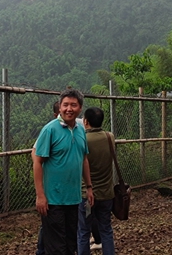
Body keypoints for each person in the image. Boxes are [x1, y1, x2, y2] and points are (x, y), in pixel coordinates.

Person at [33, 88, 94, 255]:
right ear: (59, 107)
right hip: (53, 201)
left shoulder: (81, 130)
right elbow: (37, 162)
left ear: (80, 108)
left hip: (73, 198)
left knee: (70, 245)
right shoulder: (50, 130)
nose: (69, 109)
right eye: (65, 105)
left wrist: (89, 187)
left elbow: (84, 159)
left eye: (73, 105)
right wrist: (40, 196)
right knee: (56, 248)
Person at [77, 107, 116, 255]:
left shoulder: (82, 140)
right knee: (106, 229)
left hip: (86, 196)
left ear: (85, 121)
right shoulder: (109, 136)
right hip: (107, 193)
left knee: (83, 231)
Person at [34, 101, 61, 255]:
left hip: (68, 192)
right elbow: (35, 155)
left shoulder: (77, 128)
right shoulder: (50, 130)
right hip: (50, 190)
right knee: (49, 225)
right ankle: (41, 250)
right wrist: (40, 193)